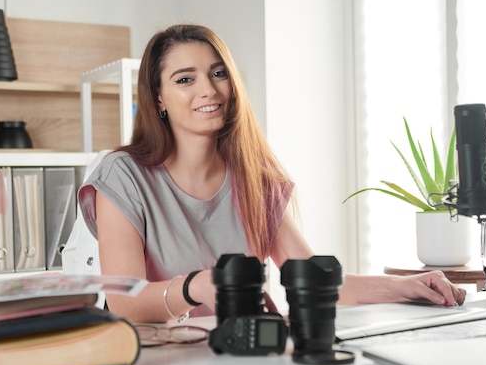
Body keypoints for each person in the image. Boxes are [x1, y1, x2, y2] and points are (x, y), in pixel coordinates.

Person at [77, 24, 466, 324]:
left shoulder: (255, 179)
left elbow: (313, 277)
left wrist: (406, 286)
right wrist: (196, 286)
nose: (208, 90)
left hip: (245, 357)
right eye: (184, 79)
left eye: (218, 73)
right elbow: (126, 304)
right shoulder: (123, 176)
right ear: (158, 97)